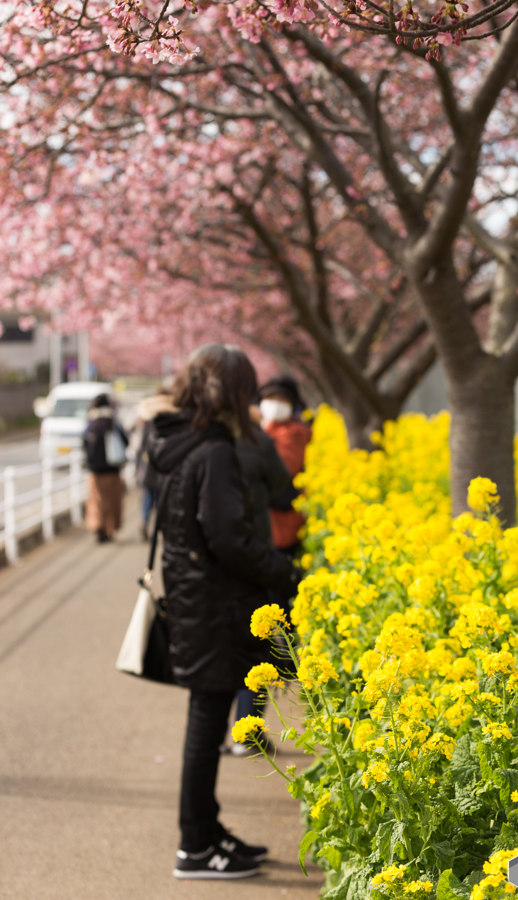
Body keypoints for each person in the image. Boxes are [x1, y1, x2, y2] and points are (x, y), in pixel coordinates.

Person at [146, 344, 298, 881]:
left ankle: (207, 832)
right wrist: (282, 572)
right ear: (233, 392)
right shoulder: (211, 450)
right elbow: (229, 536)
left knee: (205, 721)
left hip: (192, 597)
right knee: (207, 720)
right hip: (212, 602)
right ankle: (195, 845)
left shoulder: (173, 439)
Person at [227, 403, 294, 757]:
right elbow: (282, 483)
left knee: (222, 647)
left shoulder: (201, 442)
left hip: (214, 562)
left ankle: (228, 734)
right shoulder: (257, 440)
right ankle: (248, 731)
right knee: (257, 647)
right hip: (256, 555)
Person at [259, 375, 312, 555]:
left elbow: (281, 468)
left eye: (281, 400)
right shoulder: (262, 427)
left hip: (282, 521)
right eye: (270, 399)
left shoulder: (295, 433)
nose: (275, 404)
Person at [82, 393, 129, 543]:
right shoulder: (113, 423)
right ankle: (110, 529)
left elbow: (83, 445)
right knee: (113, 500)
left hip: (95, 471)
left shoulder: (91, 424)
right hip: (113, 470)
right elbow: (126, 441)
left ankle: (99, 528)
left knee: (97, 501)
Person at [134, 386, 175, 540]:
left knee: (147, 498)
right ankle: (160, 527)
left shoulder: (149, 420)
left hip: (149, 466)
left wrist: (139, 467)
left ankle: (144, 522)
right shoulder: (173, 418)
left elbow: (143, 445)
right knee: (162, 500)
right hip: (164, 466)